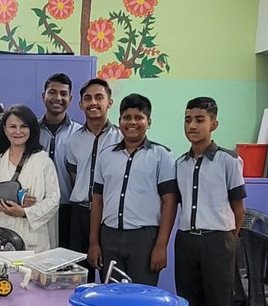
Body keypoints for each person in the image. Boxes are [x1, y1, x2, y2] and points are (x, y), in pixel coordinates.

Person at [88, 94, 178, 286]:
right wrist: (94, 243)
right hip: (109, 237)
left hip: (144, 240)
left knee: (140, 299)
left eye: (139, 118)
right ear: (119, 121)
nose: (132, 122)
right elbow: (98, 200)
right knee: (111, 296)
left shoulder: (162, 155)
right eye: (127, 117)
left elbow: (169, 202)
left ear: (149, 122)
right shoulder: (106, 156)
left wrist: (161, 246)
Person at [174, 97, 245, 306]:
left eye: (199, 120)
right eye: (187, 120)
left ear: (214, 124)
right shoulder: (180, 164)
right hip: (186, 242)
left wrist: (226, 239)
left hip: (218, 242)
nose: (192, 126)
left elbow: (239, 209)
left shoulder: (229, 160)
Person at [0, 105, 60, 253]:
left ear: (31, 129)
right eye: (13, 126)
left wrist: (25, 212)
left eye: (23, 126)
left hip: (33, 238)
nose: (18, 131)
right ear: (5, 130)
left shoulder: (43, 160)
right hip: (0, 235)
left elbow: (53, 198)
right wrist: (19, 198)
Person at [64, 78, 120, 256]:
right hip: (79, 214)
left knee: (108, 274)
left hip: (108, 215)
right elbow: (74, 175)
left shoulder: (120, 139)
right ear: (81, 104)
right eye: (87, 98)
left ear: (109, 102)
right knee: (79, 274)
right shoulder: (73, 139)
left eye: (99, 97)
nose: (93, 102)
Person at [40, 73, 81, 248]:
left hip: (69, 211)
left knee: (68, 267)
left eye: (63, 94)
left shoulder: (80, 134)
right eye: (52, 92)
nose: (58, 98)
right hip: (37, 211)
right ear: (44, 96)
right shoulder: (30, 131)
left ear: (70, 99)